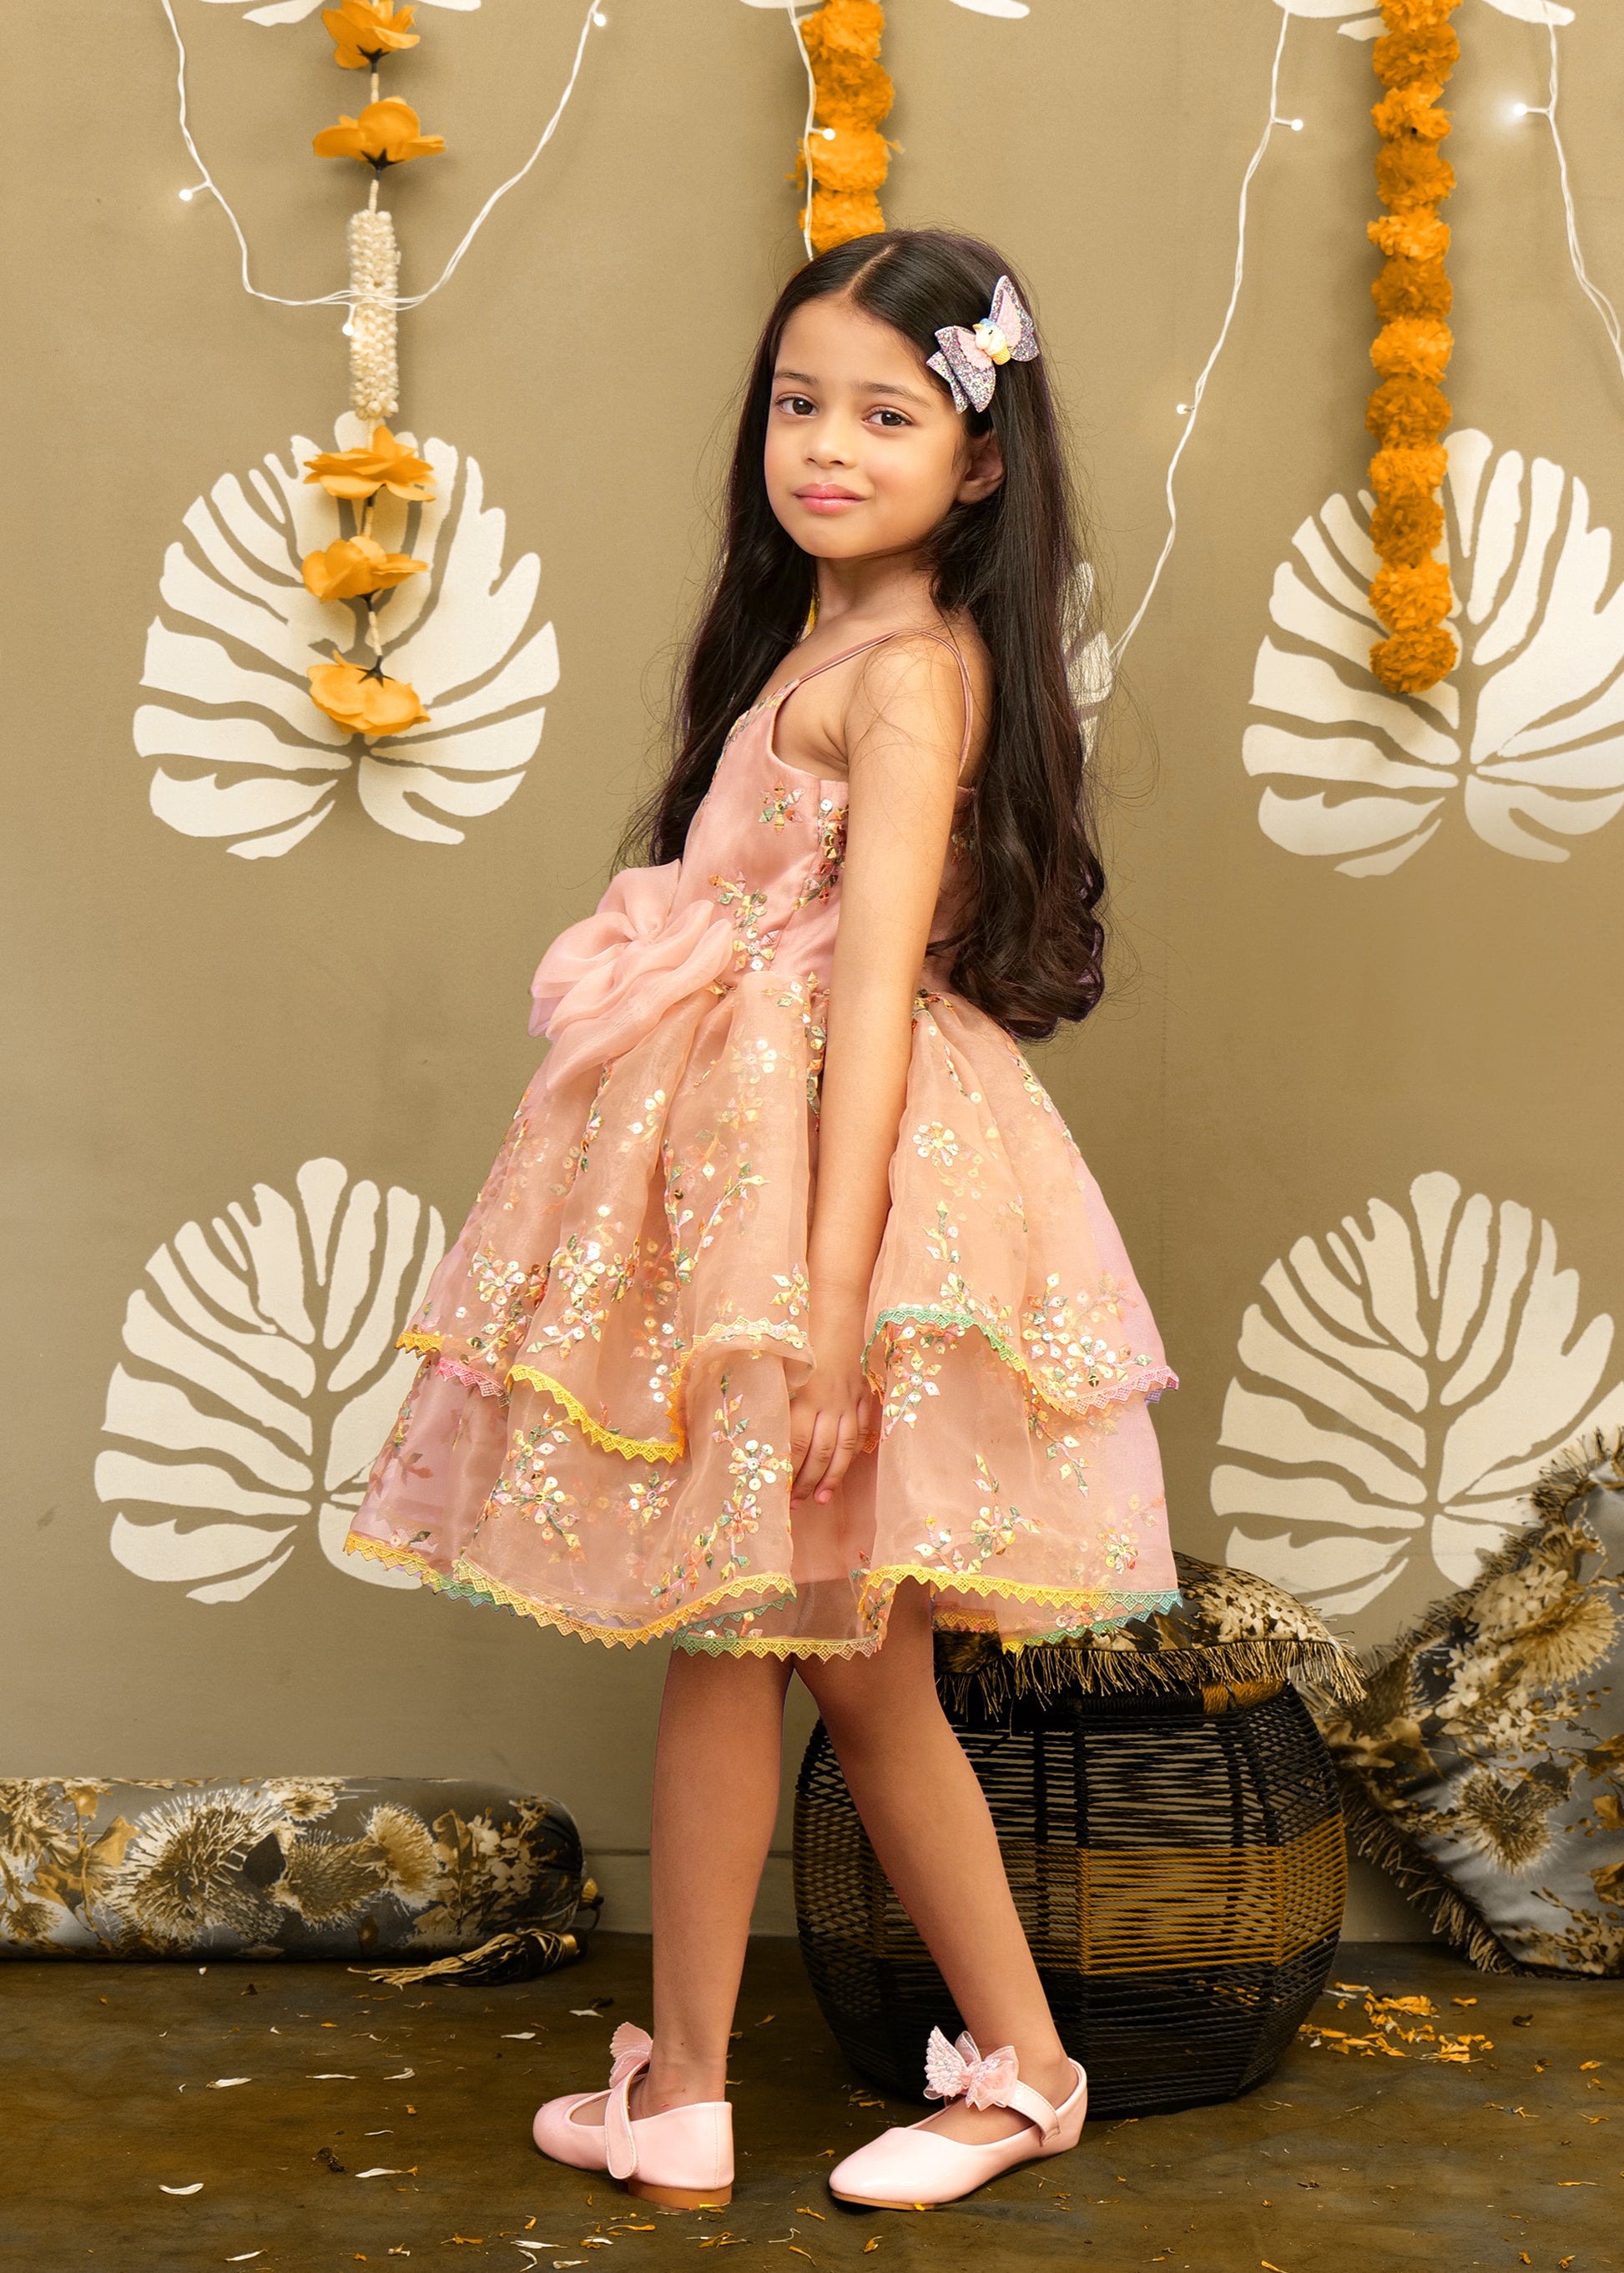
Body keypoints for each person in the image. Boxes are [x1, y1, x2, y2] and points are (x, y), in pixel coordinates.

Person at [344, 227, 1180, 2214]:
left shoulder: (910, 675)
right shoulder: (807, 646)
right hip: (721, 1184)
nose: (824, 445)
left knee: (837, 1663)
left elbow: (876, 988)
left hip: (819, 1212)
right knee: (747, 1640)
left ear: (977, 463)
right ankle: (695, 2086)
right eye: (800, 404)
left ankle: (1012, 2071)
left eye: (885, 414)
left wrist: (823, 1311)